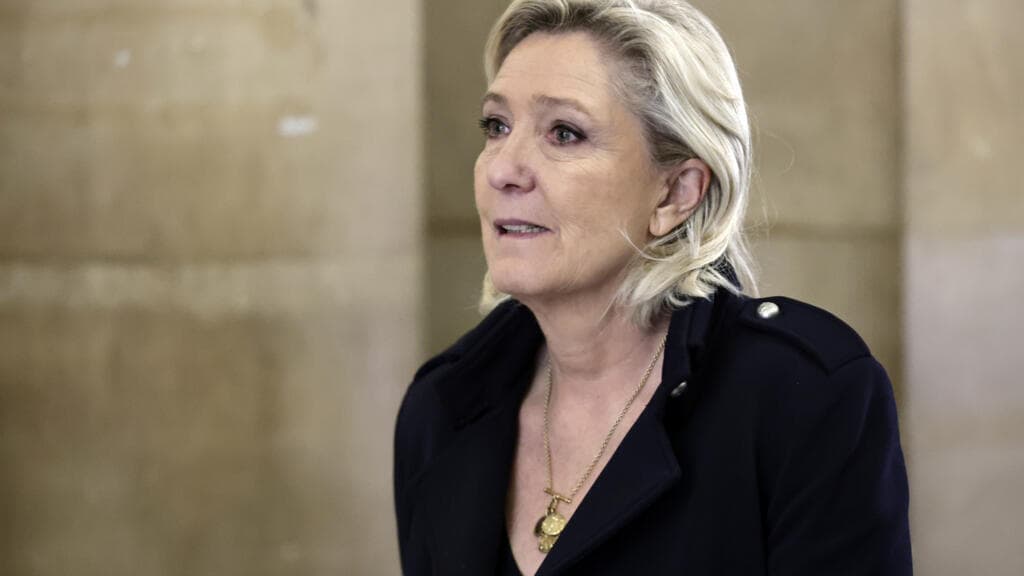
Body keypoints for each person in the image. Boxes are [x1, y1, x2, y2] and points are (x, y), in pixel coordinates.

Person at [393, 0, 912, 574]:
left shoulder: (804, 395)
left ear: (675, 193)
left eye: (564, 133)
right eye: (496, 126)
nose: (501, 170)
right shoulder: (442, 405)